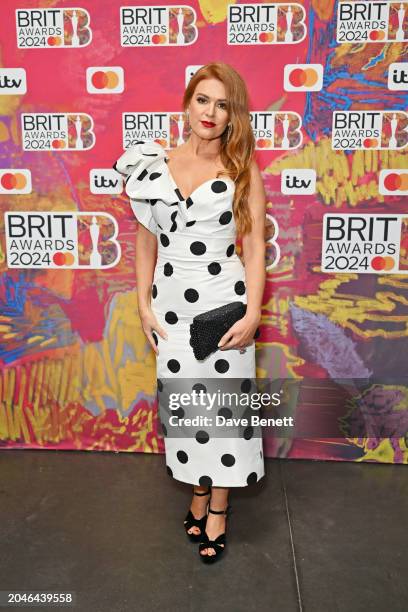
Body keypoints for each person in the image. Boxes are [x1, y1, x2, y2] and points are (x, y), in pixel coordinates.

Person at [114, 62, 266, 564]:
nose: (211, 111)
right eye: (204, 100)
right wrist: (142, 306)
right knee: (186, 411)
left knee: (223, 411)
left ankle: (218, 508)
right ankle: (198, 493)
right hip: (171, 306)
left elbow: (256, 252)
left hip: (225, 299)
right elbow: (144, 243)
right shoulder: (152, 166)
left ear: (231, 116)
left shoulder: (243, 169)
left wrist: (252, 313)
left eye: (223, 104)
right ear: (187, 104)